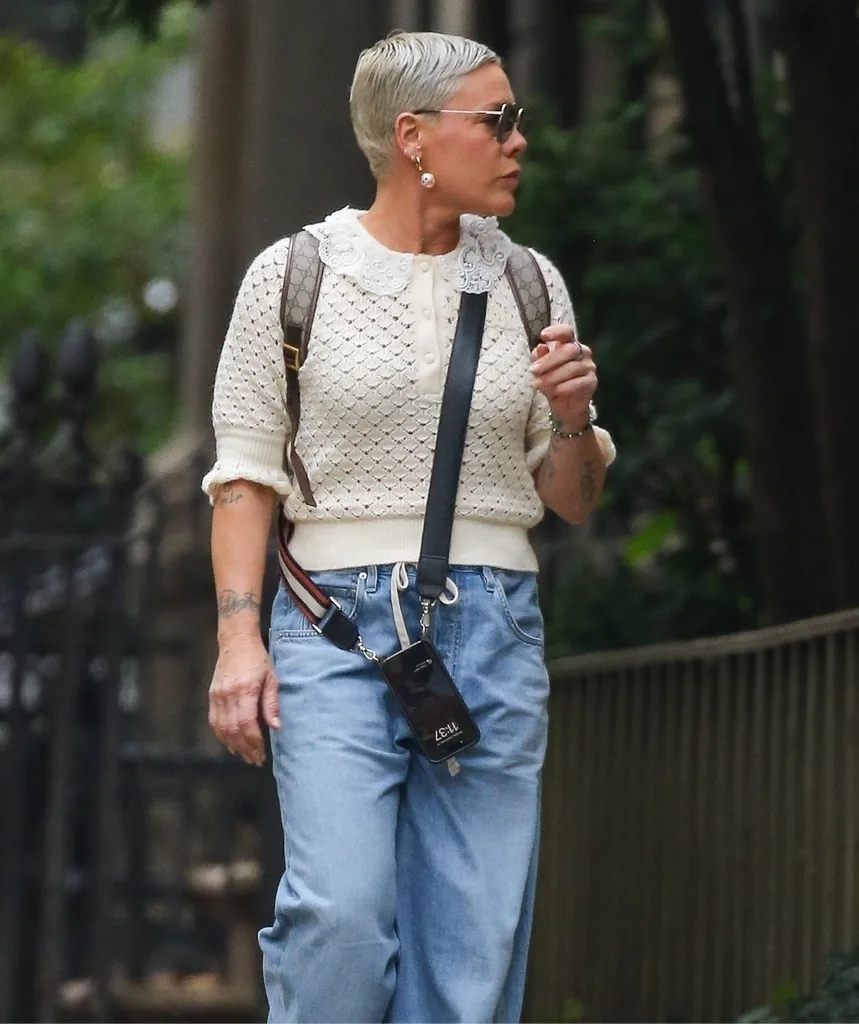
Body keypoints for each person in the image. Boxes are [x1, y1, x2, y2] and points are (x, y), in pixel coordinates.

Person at [202, 30, 616, 1024]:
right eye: (498, 118)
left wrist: (571, 416)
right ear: (413, 135)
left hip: (490, 627)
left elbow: (570, 496)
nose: (520, 139)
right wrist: (237, 638)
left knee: (473, 944)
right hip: (333, 629)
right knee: (340, 914)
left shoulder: (529, 282)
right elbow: (245, 477)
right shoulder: (293, 274)